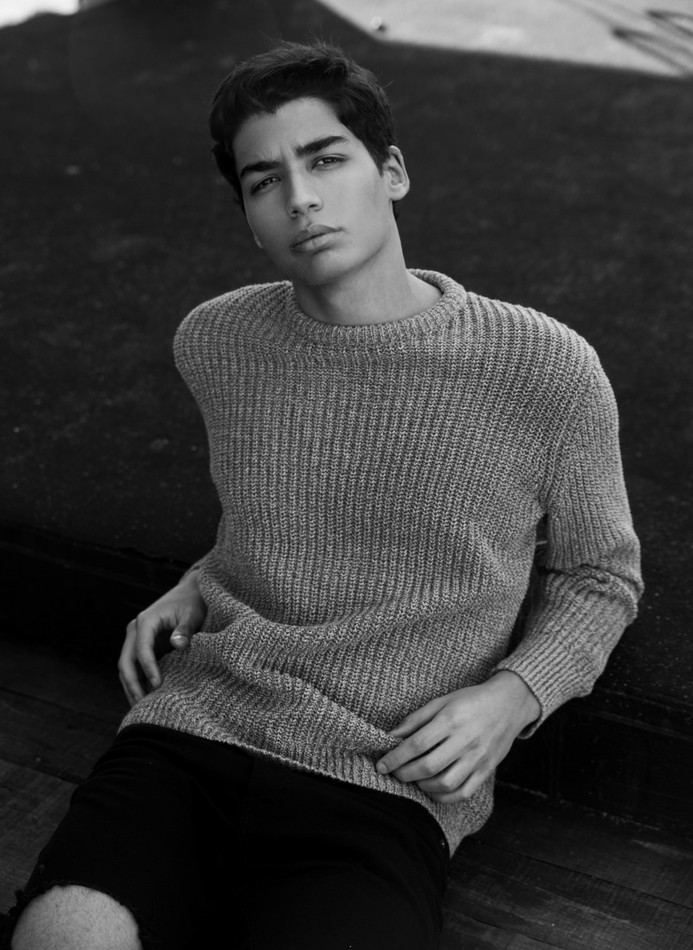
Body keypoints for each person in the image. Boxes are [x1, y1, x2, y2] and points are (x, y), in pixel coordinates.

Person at [4, 40, 642, 950]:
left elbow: (600, 577)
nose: (300, 198)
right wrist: (200, 578)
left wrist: (512, 696)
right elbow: (278, 504)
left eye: (326, 159)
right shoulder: (216, 342)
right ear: (248, 217)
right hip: (196, 728)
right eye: (264, 181)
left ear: (392, 173)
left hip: (385, 777)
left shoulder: (542, 368)